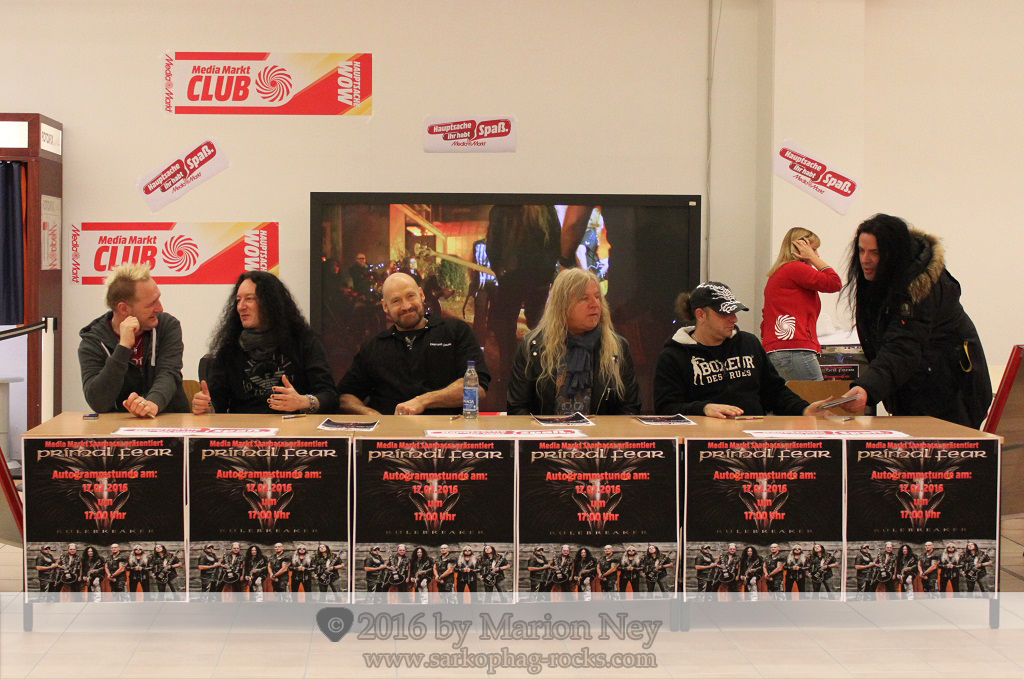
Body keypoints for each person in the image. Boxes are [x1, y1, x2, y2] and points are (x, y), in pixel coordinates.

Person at [838, 214, 991, 427]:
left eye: (875, 252)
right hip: (920, 387)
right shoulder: (883, 280)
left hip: (949, 395)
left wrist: (867, 388)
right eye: (861, 250)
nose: (865, 259)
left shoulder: (919, 289)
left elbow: (902, 348)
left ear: (894, 254)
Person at [654, 282, 834, 417]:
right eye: (724, 313)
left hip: (753, 437)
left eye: (734, 312)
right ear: (701, 315)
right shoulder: (674, 355)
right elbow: (666, 408)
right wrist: (703, 408)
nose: (733, 319)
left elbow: (774, 392)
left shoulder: (749, 343)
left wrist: (803, 409)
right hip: (705, 442)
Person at [337, 272, 490, 415]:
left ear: (421, 295)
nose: (406, 306)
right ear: (385, 307)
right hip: (391, 433)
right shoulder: (374, 346)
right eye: (396, 301)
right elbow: (345, 396)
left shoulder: (455, 331)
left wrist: (422, 401)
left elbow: (477, 388)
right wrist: (373, 416)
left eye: (410, 296)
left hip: (445, 431)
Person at [192, 271, 338, 415]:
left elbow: (329, 396)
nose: (240, 306)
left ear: (270, 302)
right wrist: (205, 406)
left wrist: (303, 402)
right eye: (238, 300)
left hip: (293, 427)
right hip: (245, 428)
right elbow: (217, 402)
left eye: (249, 299)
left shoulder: (303, 340)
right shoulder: (230, 347)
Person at [506, 268, 642, 415]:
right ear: (562, 306)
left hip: (601, 431)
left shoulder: (617, 348)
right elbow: (517, 407)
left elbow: (630, 408)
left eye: (597, 297)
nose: (595, 304)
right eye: (584, 298)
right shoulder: (533, 348)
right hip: (544, 430)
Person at [78, 263, 188, 416]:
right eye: (151, 304)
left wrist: (151, 404)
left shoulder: (167, 326)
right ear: (124, 309)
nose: (160, 308)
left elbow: (169, 373)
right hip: (118, 428)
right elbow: (98, 402)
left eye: (158, 299)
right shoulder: (93, 342)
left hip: (169, 421)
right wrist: (123, 348)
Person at [761, 228, 842, 381]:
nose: (817, 255)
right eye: (814, 249)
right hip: (794, 349)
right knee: (815, 395)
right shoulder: (795, 268)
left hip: (779, 349)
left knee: (797, 396)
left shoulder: (779, 273)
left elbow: (765, 319)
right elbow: (834, 283)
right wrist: (812, 258)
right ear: (800, 248)